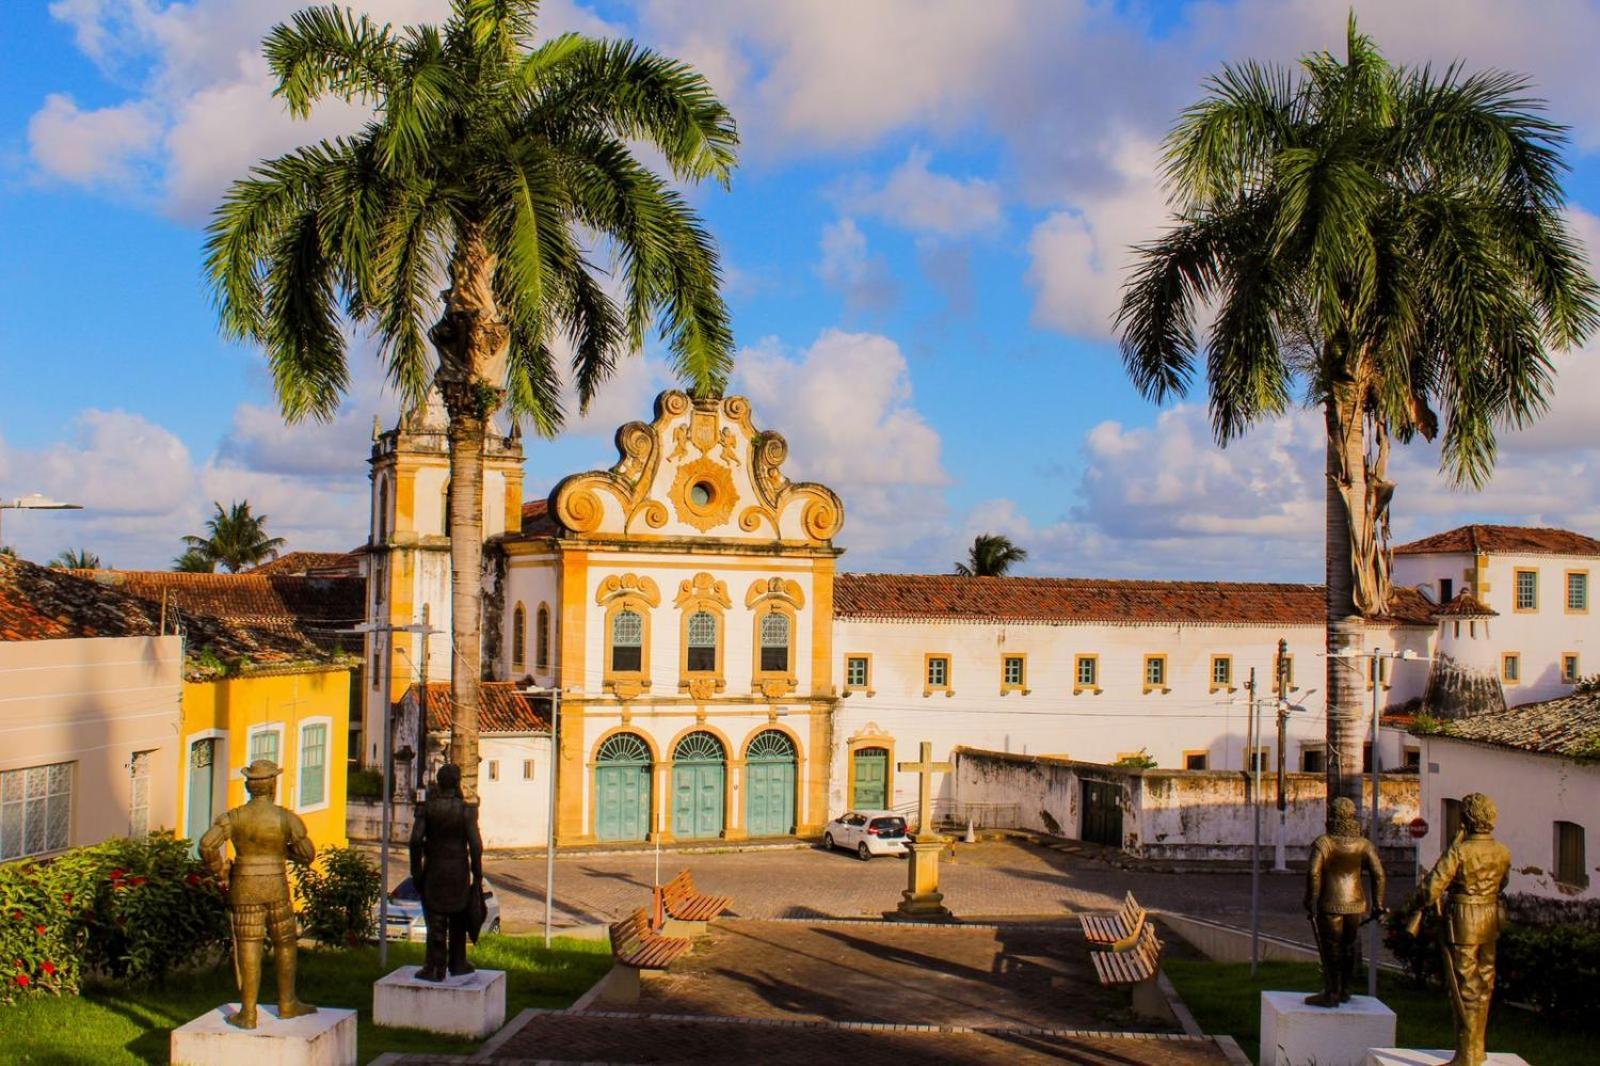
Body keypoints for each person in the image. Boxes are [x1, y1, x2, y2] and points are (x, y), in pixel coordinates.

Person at [199, 759, 318, 1029]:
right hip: (275, 883)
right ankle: (287, 1002)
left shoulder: (234, 817)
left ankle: (248, 1012)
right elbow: (308, 854)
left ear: (248, 787)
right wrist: (282, 852)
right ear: (273, 786)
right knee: (285, 942)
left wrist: (220, 869)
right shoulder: (285, 818)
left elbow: (206, 846)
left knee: (248, 944)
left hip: (244, 885)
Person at [1401, 792, 1511, 1066]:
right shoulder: (1502, 851)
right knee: (1484, 984)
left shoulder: (1460, 851)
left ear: (1466, 819)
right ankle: (1477, 1048)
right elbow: (1503, 883)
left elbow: (1430, 890)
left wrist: (1410, 905)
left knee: (1464, 987)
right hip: (1490, 918)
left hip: (1464, 920)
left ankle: (1467, 1053)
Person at [1303, 796, 1387, 1006]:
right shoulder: (1363, 844)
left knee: (1331, 947)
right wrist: (1378, 903)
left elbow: (1313, 872)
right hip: (1355, 903)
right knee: (1348, 946)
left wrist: (1311, 899)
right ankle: (1344, 989)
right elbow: (1379, 875)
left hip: (1330, 902)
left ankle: (1331, 991)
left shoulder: (1325, 843)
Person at [408, 762, 485, 980]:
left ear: (439, 783)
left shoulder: (427, 808)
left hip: (434, 868)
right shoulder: (466, 811)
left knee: (436, 920)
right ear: (457, 783)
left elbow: (415, 840)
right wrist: (477, 873)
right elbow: (476, 844)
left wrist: (416, 871)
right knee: (458, 917)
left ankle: (435, 966)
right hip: (458, 869)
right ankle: (458, 962)